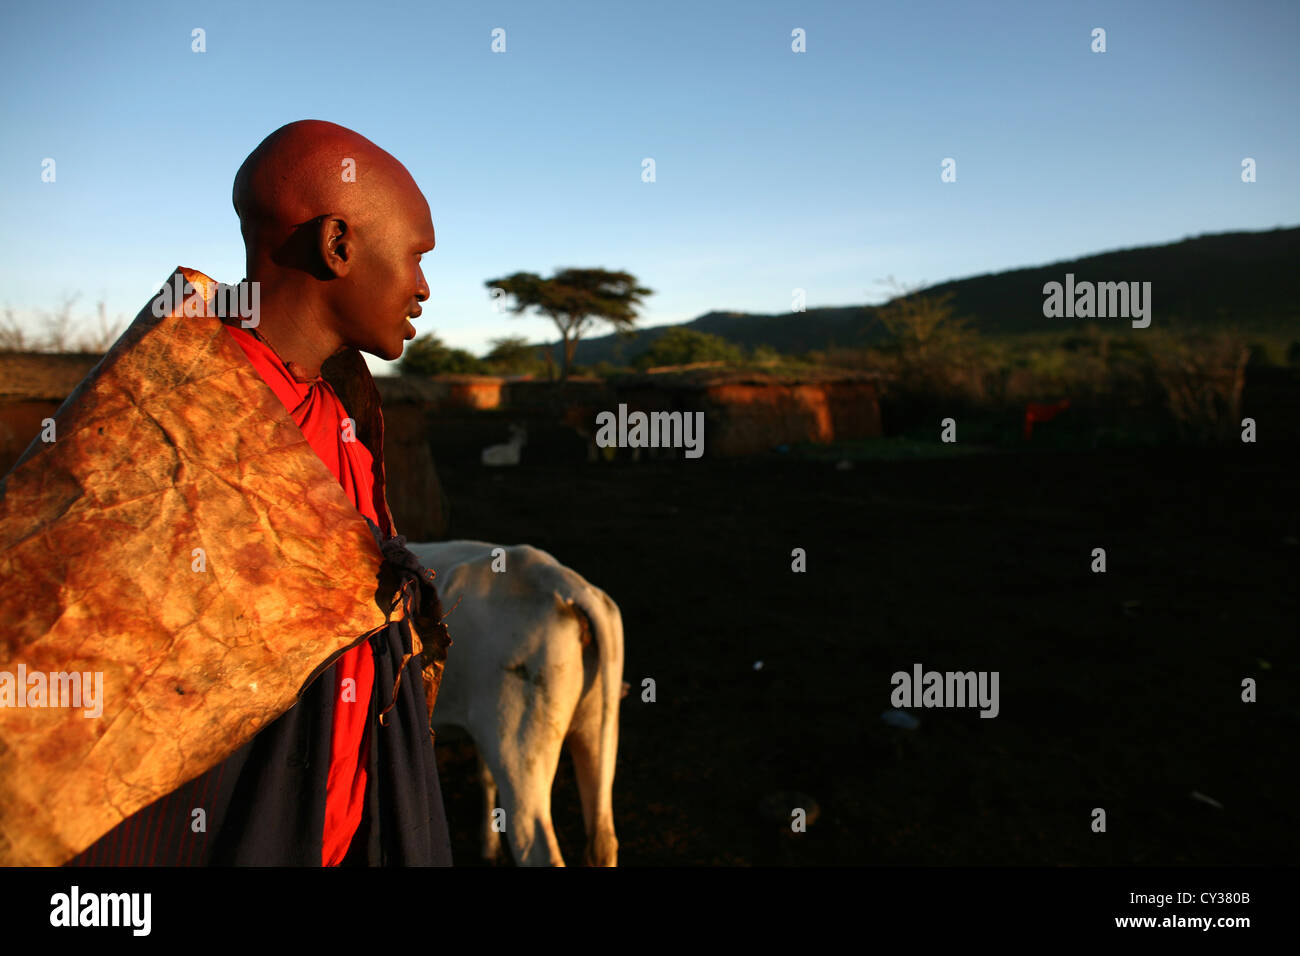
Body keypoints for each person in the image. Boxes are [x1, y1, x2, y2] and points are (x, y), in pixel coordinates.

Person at [0, 121, 452, 866]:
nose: (424, 287)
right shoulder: (166, 423)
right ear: (338, 245)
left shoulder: (340, 414)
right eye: (416, 258)